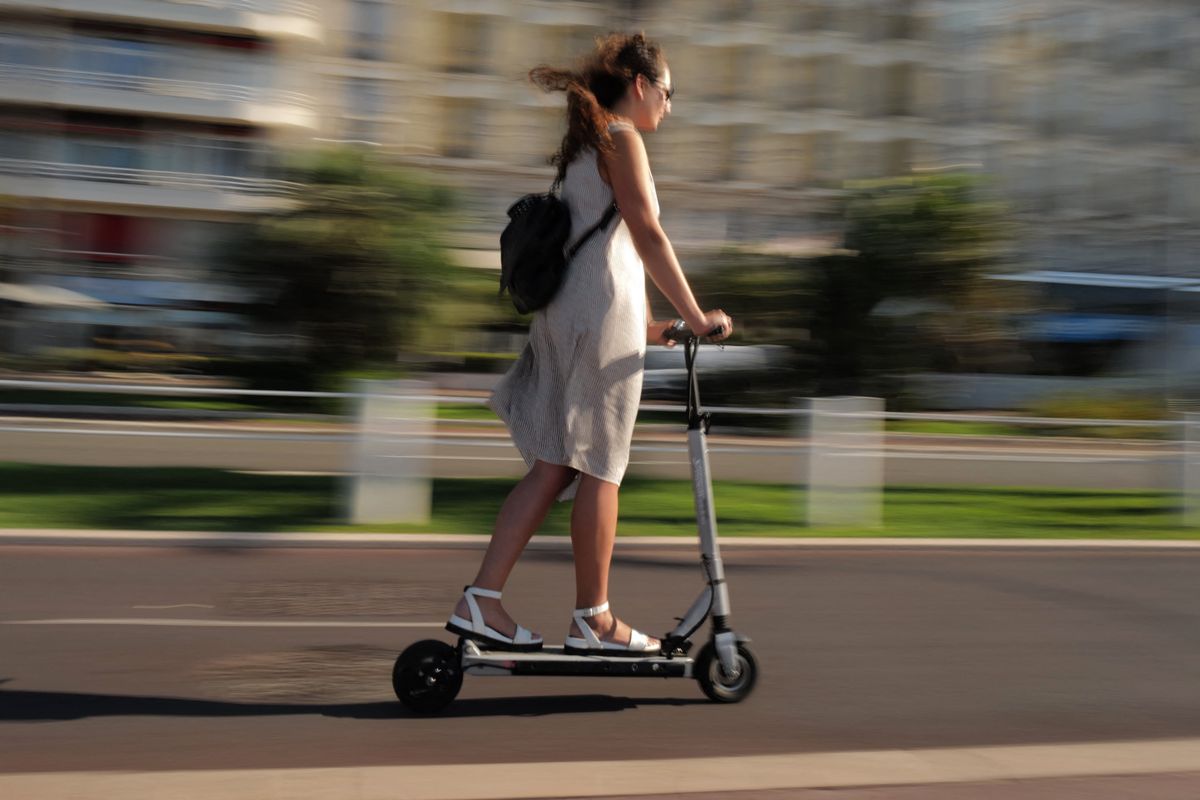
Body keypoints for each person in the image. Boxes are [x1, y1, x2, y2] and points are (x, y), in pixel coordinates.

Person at [446, 32, 733, 655]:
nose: (669, 105)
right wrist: (697, 315)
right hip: (593, 320)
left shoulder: (587, 145)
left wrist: (657, 327)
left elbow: (607, 253)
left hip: (568, 317)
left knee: (553, 464)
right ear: (640, 85)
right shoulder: (622, 138)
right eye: (668, 92)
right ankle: (594, 620)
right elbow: (646, 233)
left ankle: (482, 600)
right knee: (602, 468)